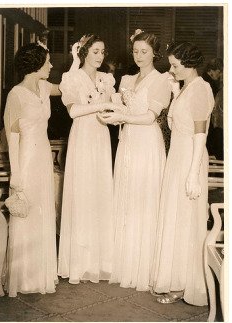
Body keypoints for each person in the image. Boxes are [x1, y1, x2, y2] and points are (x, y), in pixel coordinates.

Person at [98, 30, 171, 291]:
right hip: (128, 142)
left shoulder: (162, 79)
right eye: (136, 51)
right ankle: (126, 263)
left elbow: (151, 117)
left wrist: (123, 118)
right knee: (127, 197)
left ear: (155, 53)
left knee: (144, 199)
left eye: (144, 51)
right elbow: (120, 107)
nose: (139, 56)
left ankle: (145, 268)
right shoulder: (127, 79)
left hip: (147, 144)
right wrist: (112, 110)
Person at [3, 41, 76, 297]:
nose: (51, 65)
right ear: (36, 64)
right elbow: (12, 138)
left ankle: (41, 274)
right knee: (27, 213)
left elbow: (67, 88)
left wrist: (76, 58)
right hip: (26, 157)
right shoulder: (16, 94)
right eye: (48, 61)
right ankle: (24, 278)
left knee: (43, 211)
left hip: (43, 155)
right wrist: (16, 173)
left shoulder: (44, 86)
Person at [58, 34, 125, 284]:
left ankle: (101, 262)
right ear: (84, 52)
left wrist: (120, 107)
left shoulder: (107, 79)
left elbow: (111, 107)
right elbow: (74, 111)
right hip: (83, 137)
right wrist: (101, 105)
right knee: (83, 193)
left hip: (100, 138)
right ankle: (80, 263)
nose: (100, 56)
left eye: (103, 51)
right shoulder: (71, 78)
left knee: (99, 193)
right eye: (96, 51)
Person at [152, 42, 214, 306]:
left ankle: (186, 284)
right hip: (177, 158)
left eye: (176, 65)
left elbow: (200, 134)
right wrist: (175, 91)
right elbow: (175, 124)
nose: (172, 69)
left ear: (189, 64)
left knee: (187, 223)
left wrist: (192, 174)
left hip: (190, 158)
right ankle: (177, 280)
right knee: (176, 220)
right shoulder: (185, 88)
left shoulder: (201, 88)